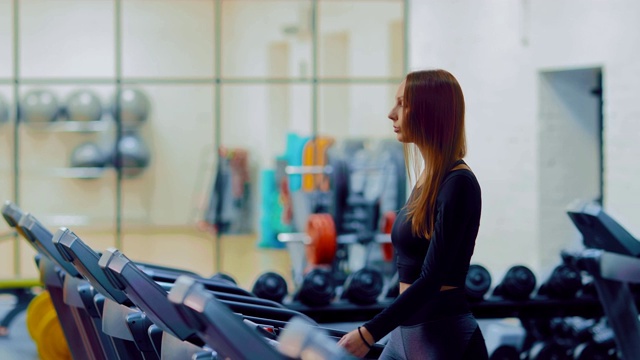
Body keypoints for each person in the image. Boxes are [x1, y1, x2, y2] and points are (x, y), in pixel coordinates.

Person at [337, 69, 489, 359]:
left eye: (402, 104)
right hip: (404, 336)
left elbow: (431, 279)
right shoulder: (426, 179)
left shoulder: (459, 184)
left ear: (429, 112)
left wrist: (368, 333)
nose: (391, 114)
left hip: (445, 342)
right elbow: (408, 268)